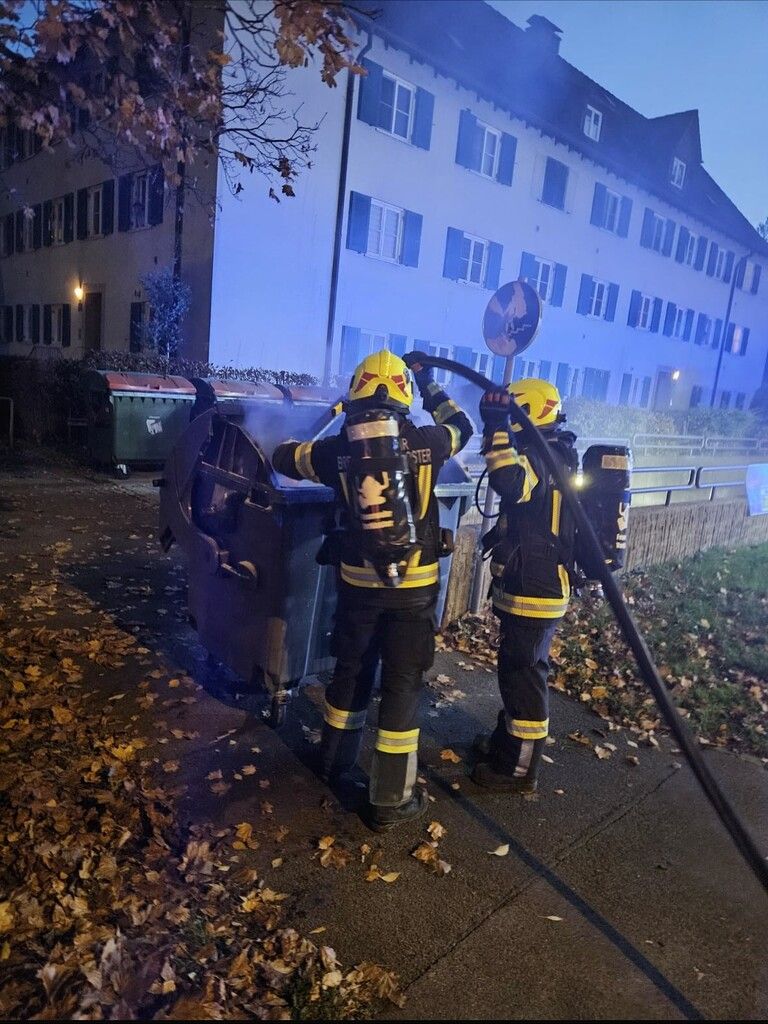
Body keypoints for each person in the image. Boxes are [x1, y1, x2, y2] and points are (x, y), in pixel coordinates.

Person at [272, 349, 473, 830]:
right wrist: (432, 385)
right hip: (415, 589)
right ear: (404, 397)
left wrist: (295, 440)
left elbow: (285, 459)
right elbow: (462, 426)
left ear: (356, 392)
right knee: (402, 685)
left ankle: (333, 765)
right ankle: (389, 801)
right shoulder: (429, 441)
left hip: (358, 588)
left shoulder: (336, 450)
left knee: (351, 673)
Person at [471, 378, 577, 793]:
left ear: (526, 412)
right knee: (517, 671)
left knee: (525, 677)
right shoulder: (552, 450)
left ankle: (517, 771)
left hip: (537, 589)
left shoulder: (540, 455)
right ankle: (506, 745)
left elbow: (511, 482)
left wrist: (496, 425)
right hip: (536, 584)